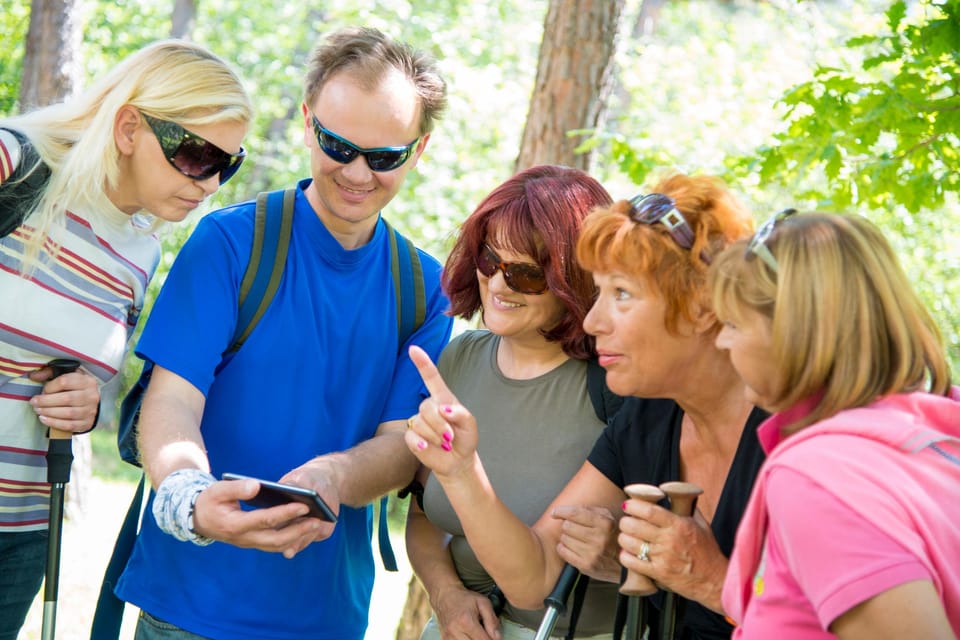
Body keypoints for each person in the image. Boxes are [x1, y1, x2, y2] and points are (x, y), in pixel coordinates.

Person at [113, 27, 453, 639]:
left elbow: (403, 447)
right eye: (337, 145)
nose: (356, 173)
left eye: (384, 157)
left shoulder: (425, 287)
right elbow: (171, 401)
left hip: (325, 617)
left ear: (419, 150)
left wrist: (334, 477)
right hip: (191, 607)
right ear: (306, 120)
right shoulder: (230, 244)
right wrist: (191, 497)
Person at [406, 172, 765, 640]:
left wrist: (715, 583)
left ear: (701, 305)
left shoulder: (794, 436)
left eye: (621, 294)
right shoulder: (645, 419)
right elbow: (536, 578)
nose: (594, 320)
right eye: (599, 292)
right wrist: (460, 471)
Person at [0, 40, 251, 639]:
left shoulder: (142, 253)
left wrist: (84, 401)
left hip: (25, 530)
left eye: (228, 165)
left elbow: (69, 369)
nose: (210, 183)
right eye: (196, 155)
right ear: (130, 126)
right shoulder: (16, 161)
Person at [708, 210, 960, 639]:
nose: (721, 340)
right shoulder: (931, 433)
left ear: (793, 333)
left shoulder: (819, 478)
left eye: (733, 323)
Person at [406, 164, 621, 640]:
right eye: (489, 260)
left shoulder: (614, 385)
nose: (500, 286)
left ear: (576, 280)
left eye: (526, 274)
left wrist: (463, 471)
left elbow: (534, 584)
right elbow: (425, 514)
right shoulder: (461, 356)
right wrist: (446, 596)